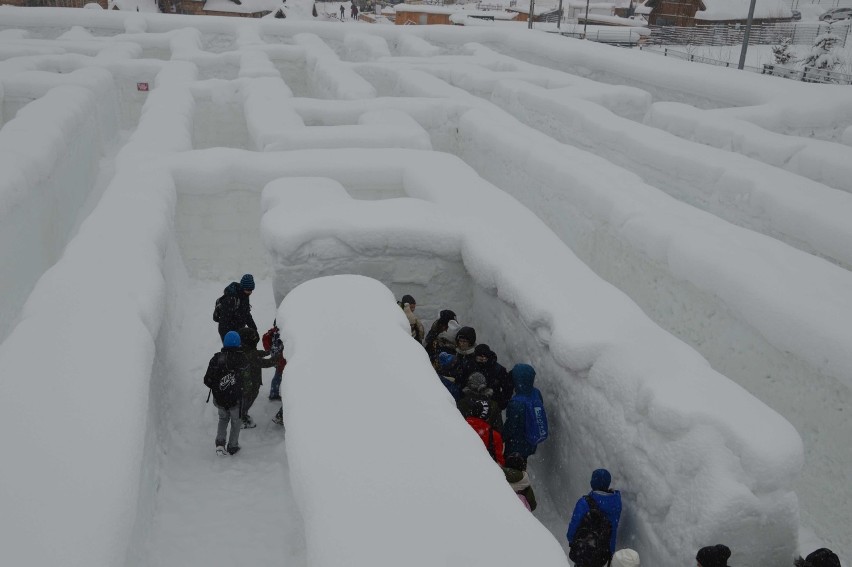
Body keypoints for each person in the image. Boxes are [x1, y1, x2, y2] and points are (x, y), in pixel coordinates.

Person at [203, 331, 249, 456]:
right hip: (236, 400)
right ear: (238, 342)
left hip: (220, 399)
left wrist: (219, 387)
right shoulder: (242, 359)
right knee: (236, 422)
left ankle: (220, 443)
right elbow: (247, 376)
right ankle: (233, 446)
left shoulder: (216, 358)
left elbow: (207, 380)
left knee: (223, 419)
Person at [566, 468, 622, 567]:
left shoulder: (584, 502)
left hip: (584, 549)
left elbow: (575, 523)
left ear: (593, 483)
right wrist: (610, 550)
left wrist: (571, 539)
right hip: (602, 552)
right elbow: (613, 528)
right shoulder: (616, 504)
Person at [504, 363, 545, 463]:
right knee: (522, 464)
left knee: (513, 470)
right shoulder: (536, 393)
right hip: (531, 440)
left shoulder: (516, 403)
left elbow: (511, 427)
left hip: (516, 445)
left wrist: (500, 437)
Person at [238, 327, 275, 429]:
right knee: (248, 398)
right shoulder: (250, 354)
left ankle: (241, 414)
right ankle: (240, 417)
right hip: (251, 383)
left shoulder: (241, 349)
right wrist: (277, 357)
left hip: (246, 382)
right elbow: (267, 363)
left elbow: (256, 353)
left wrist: (267, 352)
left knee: (245, 398)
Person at [214, 274, 257, 341]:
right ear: (242, 287)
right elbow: (223, 323)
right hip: (229, 333)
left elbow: (246, 313)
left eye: (251, 290)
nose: (250, 292)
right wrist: (227, 340)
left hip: (238, 330)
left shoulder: (244, 296)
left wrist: (254, 329)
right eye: (248, 290)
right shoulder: (231, 299)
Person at [472, 344, 512, 410]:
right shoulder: (471, 366)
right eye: (479, 358)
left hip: (492, 406)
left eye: (484, 358)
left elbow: (507, 388)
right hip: (473, 404)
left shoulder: (498, 369)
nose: (481, 360)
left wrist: (500, 403)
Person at [263, 321, 286, 400]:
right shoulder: (282, 333)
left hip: (277, 358)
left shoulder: (273, 332)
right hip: (281, 358)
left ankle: (274, 392)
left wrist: (269, 349)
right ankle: (274, 393)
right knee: (279, 375)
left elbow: (265, 338)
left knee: (278, 375)